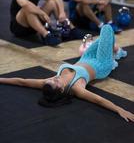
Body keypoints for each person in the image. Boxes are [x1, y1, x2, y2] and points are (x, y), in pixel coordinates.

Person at [0, 25, 133, 122]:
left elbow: (22, 81)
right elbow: (99, 100)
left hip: (86, 57)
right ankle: (113, 56)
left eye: (51, 79)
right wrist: (119, 110)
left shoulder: (48, 83)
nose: (54, 77)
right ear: (62, 89)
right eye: (56, 81)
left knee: (105, 41)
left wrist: (1, 79)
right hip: (101, 65)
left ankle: (114, 51)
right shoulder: (77, 88)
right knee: (107, 29)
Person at [10, 0, 84, 46]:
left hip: (33, 26)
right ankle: (46, 35)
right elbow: (25, 4)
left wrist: (62, 12)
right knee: (27, 9)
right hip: (19, 28)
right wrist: (42, 13)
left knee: (52, 2)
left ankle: (71, 28)